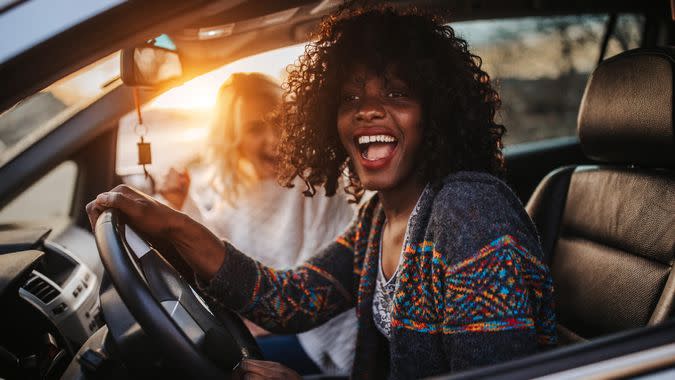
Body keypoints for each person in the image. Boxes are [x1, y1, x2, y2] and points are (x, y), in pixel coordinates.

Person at [88, 6, 556, 379]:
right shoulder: (380, 217)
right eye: (350, 98)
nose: (368, 111)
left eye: (396, 95)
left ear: (436, 116)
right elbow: (290, 298)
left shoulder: (468, 212)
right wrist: (173, 223)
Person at [155, 72, 358, 375]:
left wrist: (263, 317)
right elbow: (218, 244)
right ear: (232, 138)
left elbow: (313, 283)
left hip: (332, 334)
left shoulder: (319, 179)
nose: (274, 139)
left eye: (279, 121)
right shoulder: (240, 194)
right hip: (293, 326)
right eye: (254, 128)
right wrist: (183, 203)